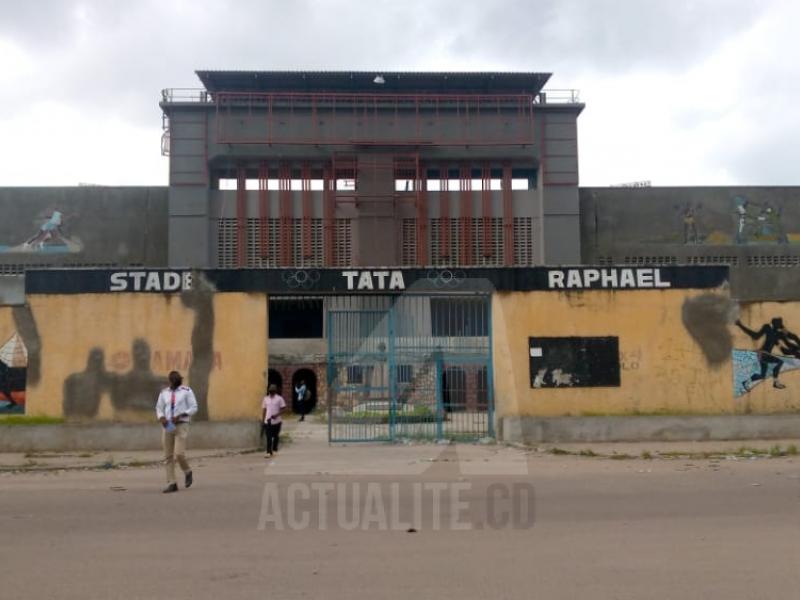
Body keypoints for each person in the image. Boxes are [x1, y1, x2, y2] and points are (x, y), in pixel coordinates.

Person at [155, 370, 198, 493]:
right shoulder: (164, 393)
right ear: (169, 381)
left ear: (180, 380)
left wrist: (181, 415)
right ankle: (172, 483)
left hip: (181, 424)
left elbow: (194, 407)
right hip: (168, 425)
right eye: (172, 381)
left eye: (176, 381)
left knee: (179, 454)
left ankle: (187, 471)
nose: (174, 383)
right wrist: (161, 417)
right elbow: (159, 407)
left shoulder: (186, 391)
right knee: (168, 456)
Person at [736, 318, 800, 391]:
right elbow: (756, 336)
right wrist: (740, 325)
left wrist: (797, 353)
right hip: (763, 353)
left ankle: (746, 382)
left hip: (765, 354)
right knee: (780, 362)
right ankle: (776, 382)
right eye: (779, 326)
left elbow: (789, 343)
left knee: (762, 376)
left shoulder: (778, 333)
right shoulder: (767, 327)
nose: (780, 328)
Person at [262, 384, 286, 457]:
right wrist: (263, 420)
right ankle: (268, 451)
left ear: (275, 391)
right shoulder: (265, 399)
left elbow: (283, 408)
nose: (271, 392)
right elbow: (264, 410)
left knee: (275, 436)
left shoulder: (279, 399)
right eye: (270, 391)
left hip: (277, 421)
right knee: (268, 437)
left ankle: (274, 449)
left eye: (273, 391)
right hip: (268, 421)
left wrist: (277, 414)